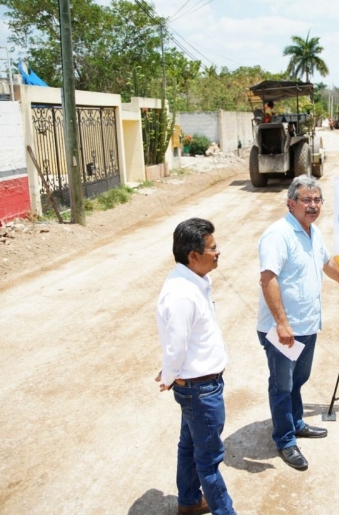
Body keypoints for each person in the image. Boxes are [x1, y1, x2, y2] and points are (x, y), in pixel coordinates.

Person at [257, 175, 339, 471]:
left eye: (317, 200)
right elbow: (268, 279)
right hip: (284, 329)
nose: (313, 205)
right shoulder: (279, 234)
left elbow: (326, 262)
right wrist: (281, 323)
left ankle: (296, 422)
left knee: (297, 381)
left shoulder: (312, 231)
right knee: (281, 385)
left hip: (307, 325)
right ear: (291, 203)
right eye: (307, 200)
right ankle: (285, 439)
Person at [155, 218, 236, 515]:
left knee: (189, 446)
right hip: (200, 390)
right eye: (213, 248)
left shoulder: (193, 282)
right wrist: (169, 374)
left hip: (197, 386)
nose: (218, 252)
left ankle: (189, 501)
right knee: (209, 459)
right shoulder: (182, 294)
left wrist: (169, 369)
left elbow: (181, 341)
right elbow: (175, 344)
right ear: (193, 256)